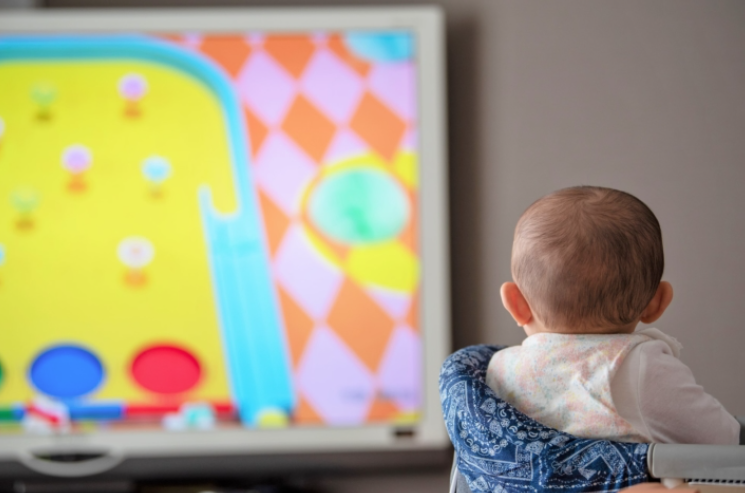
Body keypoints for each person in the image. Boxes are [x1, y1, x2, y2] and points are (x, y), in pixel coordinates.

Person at [486, 186, 739, 444]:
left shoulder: (497, 371)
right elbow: (724, 438)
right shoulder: (642, 370)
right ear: (657, 302)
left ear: (516, 304)